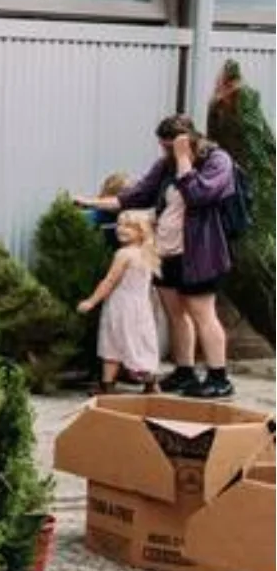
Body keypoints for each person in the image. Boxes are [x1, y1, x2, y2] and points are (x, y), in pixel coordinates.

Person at [77, 114, 240, 399]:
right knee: (175, 314)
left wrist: (183, 159)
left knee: (203, 314)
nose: (164, 151)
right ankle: (184, 372)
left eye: (169, 145)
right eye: (163, 146)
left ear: (186, 139)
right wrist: (90, 202)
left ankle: (218, 377)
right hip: (167, 252)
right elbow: (136, 195)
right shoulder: (165, 164)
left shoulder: (217, 161)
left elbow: (199, 195)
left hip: (200, 253)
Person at [77, 210, 163, 395]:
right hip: (141, 307)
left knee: (113, 342)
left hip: (121, 306)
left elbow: (109, 281)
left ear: (141, 231)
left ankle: (107, 385)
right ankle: (150, 381)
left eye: (129, 227)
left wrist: (91, 301)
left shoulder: (124, 254)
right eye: (120, 225)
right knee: (141, 342)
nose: (121, 229)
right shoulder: (147, 254)